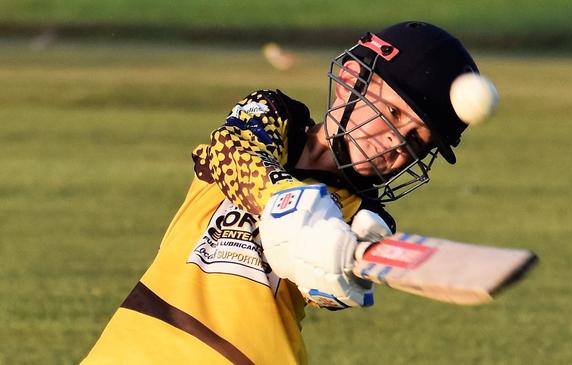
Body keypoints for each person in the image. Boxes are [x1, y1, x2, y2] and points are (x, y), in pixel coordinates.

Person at [81, 21, 483, 364]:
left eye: (417, 140)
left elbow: (327, 290)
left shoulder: (363, 218)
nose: (397, 144)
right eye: (394, 114)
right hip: (128, 350)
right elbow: (231, 151)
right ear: (349, 81)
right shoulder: (273, 116)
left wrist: (337, 264)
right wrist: (296, 206)